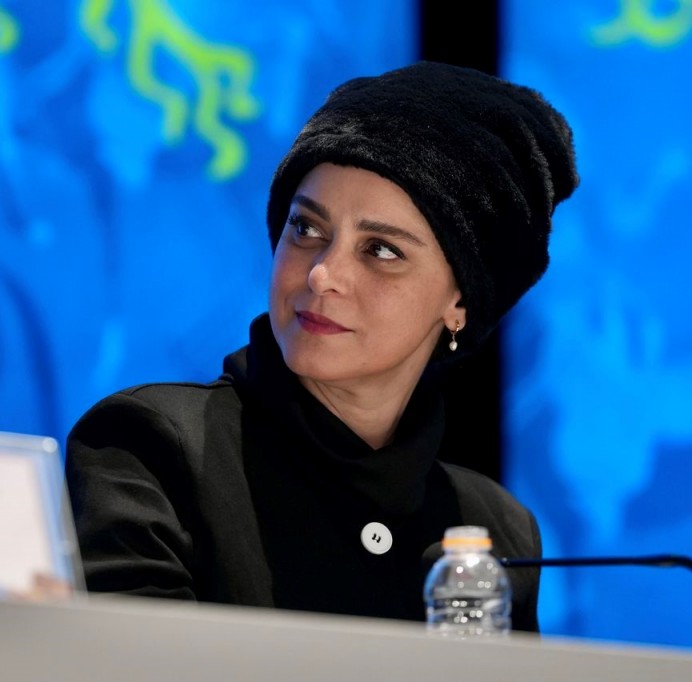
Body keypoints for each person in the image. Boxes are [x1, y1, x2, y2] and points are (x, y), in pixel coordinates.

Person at [65, 61, 578, 630]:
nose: (322, 275)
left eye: (381, 250)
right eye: (306, 229)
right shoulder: (150, 447)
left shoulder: (495, 529)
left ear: (460, 302)